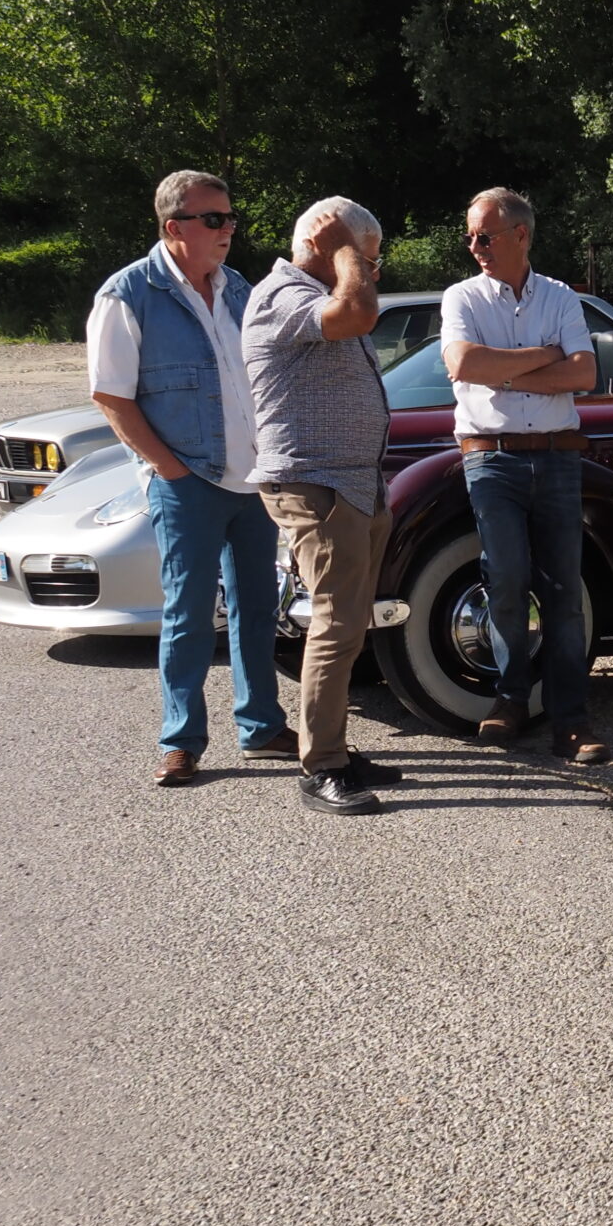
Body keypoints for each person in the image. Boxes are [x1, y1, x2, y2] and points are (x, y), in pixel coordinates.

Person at [87, 170, 293, 787]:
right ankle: (181, 741)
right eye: (214, 219)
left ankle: (261, 727)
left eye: (230, 218)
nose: (229, 229)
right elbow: (111, 397)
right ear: (175, 227)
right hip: (186, 482)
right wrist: (169, 470)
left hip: (252, 479)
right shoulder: (128, 294)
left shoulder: (238, 289)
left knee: (258, 609)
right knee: (188, 614)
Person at [244, 198, 402, 816]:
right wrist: (346, 253)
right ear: (328, 246)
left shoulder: (312, 296)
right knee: (336, 626)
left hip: (349, 485)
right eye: (370, 259)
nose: (372, 272)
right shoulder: (283, 295)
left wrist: (347, 257)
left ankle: (330, 746)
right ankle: (322, 767)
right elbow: (358, 312)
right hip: (316, 484)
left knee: (349, 624)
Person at [439, 188, 609, 765]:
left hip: (557, 455)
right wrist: (545, 355)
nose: (474, 247)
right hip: (490, 457)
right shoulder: (461, 297)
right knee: (506, 579)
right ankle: (510, 699)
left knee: (564, 592)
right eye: (469, 236)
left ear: (520, 235)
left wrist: (503, 373)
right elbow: (464, 363)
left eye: (484, 236)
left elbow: (583, 373)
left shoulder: (559, 295)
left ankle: (572, 722)